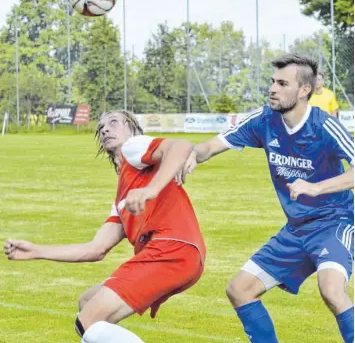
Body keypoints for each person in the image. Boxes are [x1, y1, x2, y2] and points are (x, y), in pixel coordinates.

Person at [176, 54, 354, 343]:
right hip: (296, 229)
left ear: (303, 90)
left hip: (334, 223)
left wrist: (316, 187)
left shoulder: (324, 126)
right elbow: (210, 146)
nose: (273, 88)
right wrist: (189, 156)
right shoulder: (263, 120)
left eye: (282, 83)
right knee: (239, 290)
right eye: (272, 81)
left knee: (332, 291)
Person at [4, 110, 206, 343]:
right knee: (88, 303)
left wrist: (152, 189)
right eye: (101, 128)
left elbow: (181, 146)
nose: (106, 129)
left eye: (113, 123)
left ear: (132, 130)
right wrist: (36, 251)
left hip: (172, 248)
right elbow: (95, 249)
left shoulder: (133, 146)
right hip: (178, 254)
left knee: (88, 321)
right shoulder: (122, 198)